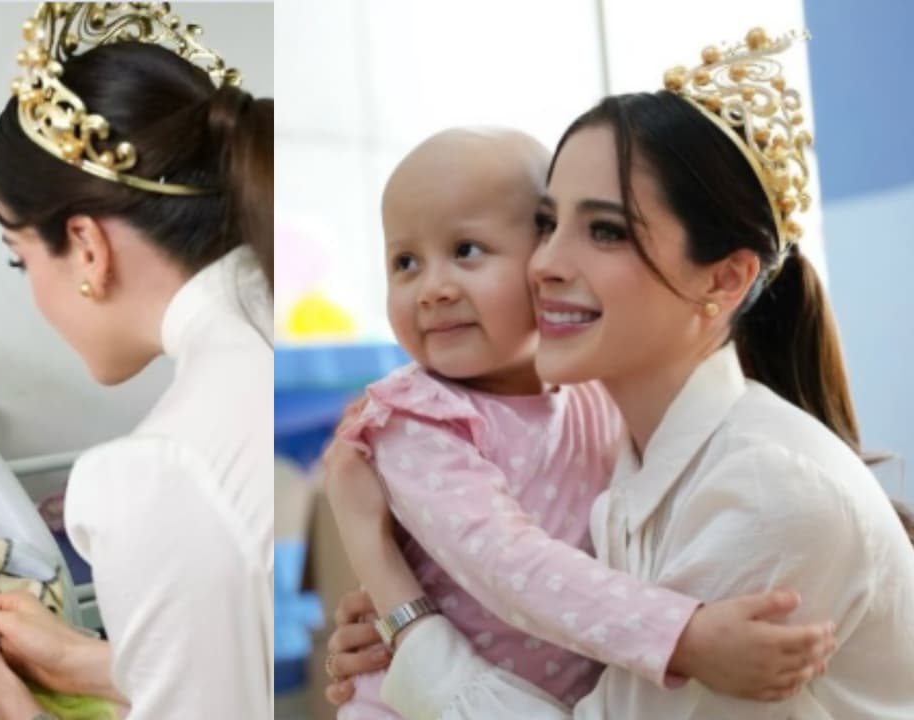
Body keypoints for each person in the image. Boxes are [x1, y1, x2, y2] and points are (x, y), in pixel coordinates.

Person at [323, 27, 914, 718]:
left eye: (604, 230)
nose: (545, 263)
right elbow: (507, 571)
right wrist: (403, 627)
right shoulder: (625, 439)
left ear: (724, 279)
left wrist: (403, 608)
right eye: (550, 224)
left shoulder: (761, 492)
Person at [0, 4, 274, 719]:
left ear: (86, 245)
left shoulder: (156, 477)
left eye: (18, 257)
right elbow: (253, 663)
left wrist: (9, 707)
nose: (31, 290)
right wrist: (92, 661)